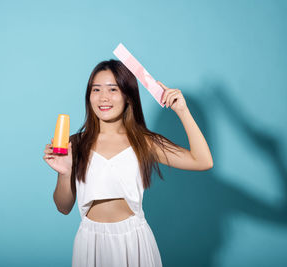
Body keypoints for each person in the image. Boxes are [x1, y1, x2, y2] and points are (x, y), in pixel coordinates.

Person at [43, 59, 213, 267]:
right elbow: (63, 207)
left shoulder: (144, 142)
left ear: (128, 96)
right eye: (96, 89)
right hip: (90, 242)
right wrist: (65, 172)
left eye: (113, 89)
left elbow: (202, 161)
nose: (103, 97)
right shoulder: (75, 143)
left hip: (133, 241)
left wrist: (182, 111)